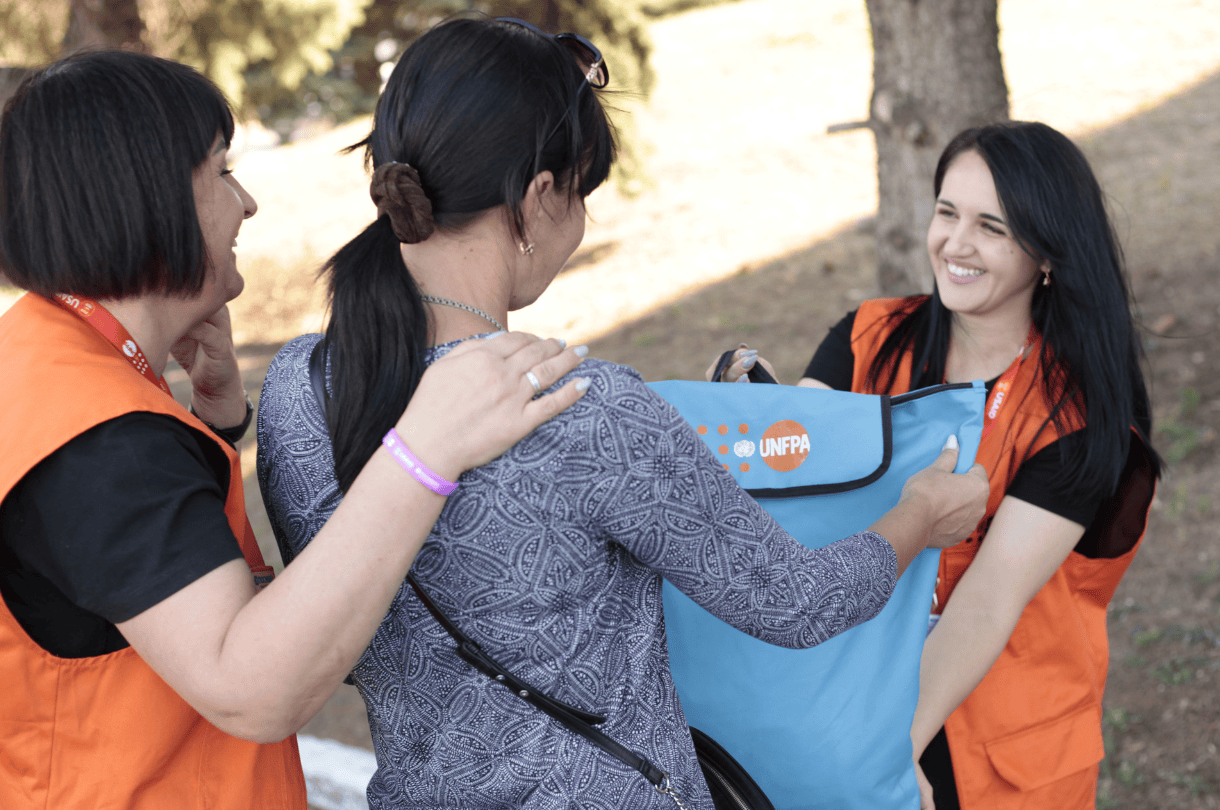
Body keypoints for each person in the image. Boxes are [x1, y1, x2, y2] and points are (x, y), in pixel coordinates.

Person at [255, 17, 990, 810]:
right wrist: (918, 516)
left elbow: (341, 639)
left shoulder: (297, 391)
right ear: (537, 199)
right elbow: (794, 603)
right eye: (582, 191)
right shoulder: (580, 409)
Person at [0, 50, 591, 810]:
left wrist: (214, 420)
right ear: (150, 195)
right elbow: (252, 690)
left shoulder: (21, 362)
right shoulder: (101, 447)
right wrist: (424, 448)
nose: (248, 202)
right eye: (223, 171)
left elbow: (97, 586)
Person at [715, 121, 1162, 809]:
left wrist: (891, 744)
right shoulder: (866, 339)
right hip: (847, 699)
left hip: (1004, 747)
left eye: (992, 227)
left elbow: (990, 600)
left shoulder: (1075, 416)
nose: (956, 243)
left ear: (1046, 251)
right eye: (947, 213)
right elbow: (793, 489)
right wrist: (743, 431)